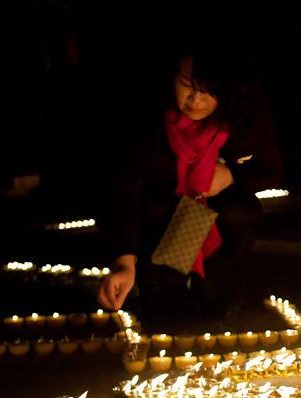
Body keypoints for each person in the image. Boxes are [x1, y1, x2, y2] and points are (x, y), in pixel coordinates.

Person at [97, 44, 283, 321]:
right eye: (187, 86)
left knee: (239, 213)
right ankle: (160, 283)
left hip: (214, 208)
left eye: (208, 90)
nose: (196, 100)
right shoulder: (149, 117)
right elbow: (126, 186)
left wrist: (232, 174)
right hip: (161, 211)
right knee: (165, 303)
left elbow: (271, 170)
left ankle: (208, 278)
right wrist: (125, 261)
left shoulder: (245, 113)